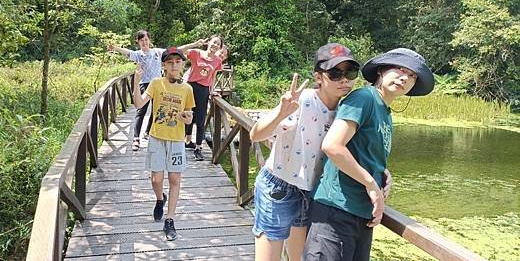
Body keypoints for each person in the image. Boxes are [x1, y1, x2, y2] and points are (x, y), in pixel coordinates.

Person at [303, 48, 435, 261]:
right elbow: (333, 146)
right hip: (336, 210)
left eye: (412, 76)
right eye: (400, 69)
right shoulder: (364, 98)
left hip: (362, 214)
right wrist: (371, 184)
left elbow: (364, 151)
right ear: (382, 71)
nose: (405, 77)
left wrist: (382, 173)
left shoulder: (385, 111)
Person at [249, 43, 363, 261]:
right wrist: (281, 113)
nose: (344, 80)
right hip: (279, 188)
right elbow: (256, 135)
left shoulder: (347, 110)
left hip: (312, 192)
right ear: (319, 77)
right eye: (335, 73)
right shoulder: (303, 100)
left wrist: (381, 174)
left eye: (350, 73)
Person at [133, 47, 195, 241]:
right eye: (170, 62)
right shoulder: (156, 83)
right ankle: (160, 199)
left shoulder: (187, 89)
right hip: (157, 137)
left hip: (176, 140)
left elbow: (189, 115)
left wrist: (187, 119)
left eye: (177, 62)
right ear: (164, 65)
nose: (174, 65)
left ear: (182, 64)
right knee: (156, 180)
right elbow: (138, 104)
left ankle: (170, 219)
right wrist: (136, 81)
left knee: (175, 179)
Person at [108, 30, 204, 151]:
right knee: (140, 111)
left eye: (146, 40)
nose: (144, 42)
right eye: (141, 40)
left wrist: (195, 44)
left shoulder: (157, 52)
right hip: (144, 83)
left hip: (160, 84)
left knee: (157, 111)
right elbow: (127, 53)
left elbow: (177, 49)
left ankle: (148, 131)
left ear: (149, 40)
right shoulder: (138, 54)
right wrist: (115, 48)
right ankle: (136, 138)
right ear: (138, 42)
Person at [184, 35, 224, 161]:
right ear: (208, 43)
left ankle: (198, 148)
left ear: (220, 47)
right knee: (189, 114)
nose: (215, 45)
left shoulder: (218, 61)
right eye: (213, 42)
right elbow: (181, 52)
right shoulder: (196, 53)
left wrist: (212, 91)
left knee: (201, 118)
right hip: (190, 87)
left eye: (218, 44)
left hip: (203, 90)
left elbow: (213, 76)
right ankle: (187, 141)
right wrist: (195, 44)